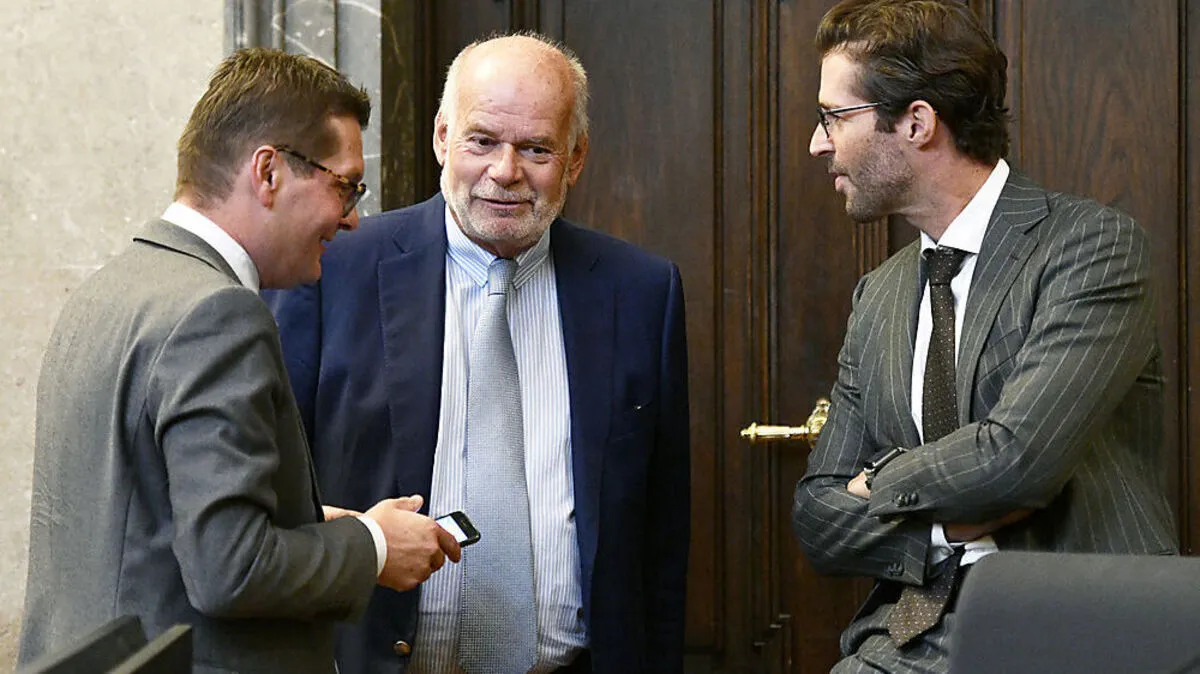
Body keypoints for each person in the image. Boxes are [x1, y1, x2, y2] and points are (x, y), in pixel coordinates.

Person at [18, 48, 461, 674]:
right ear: (269, 172)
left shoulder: (109, 288)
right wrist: (373, 546)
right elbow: (230, 568)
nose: (353, 219)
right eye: (344, 186)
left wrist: (309, 522)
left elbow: (142, 518)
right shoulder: (219, 315)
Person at [265, 33, 690, 674]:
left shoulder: (640, 292)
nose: (505, 171)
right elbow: (271, 498)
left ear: (575, 157)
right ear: (443, 137)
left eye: (536, 148)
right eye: (482, 140)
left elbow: (662, 533)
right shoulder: (331, 270)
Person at [790, 1, 1176, 672]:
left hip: (1078, 630)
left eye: (834, 116)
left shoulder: (1091, 248)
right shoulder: (878, 296)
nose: (818, 144)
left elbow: (1018, 458)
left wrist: (876, 479)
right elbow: (817, 518)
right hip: (908, 637)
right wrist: (940, 532)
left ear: (916, 123)